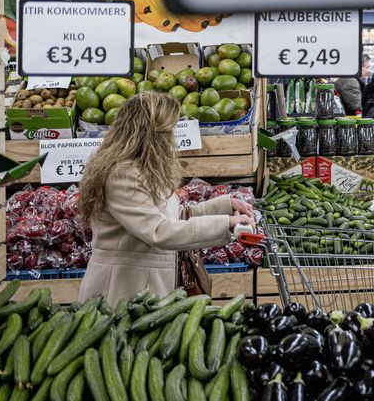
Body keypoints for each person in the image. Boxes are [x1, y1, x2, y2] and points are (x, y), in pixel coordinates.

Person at [77, 91, 254, 304]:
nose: (173, 137)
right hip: (122, 292)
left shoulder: (143, 169)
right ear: (152, 134)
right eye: (170, 130)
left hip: (144, 288)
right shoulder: (122, 175)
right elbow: (158, 230)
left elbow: (171, 216)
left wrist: (225, 206)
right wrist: (226, 224)